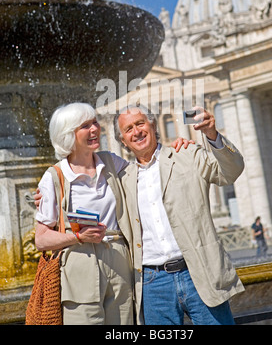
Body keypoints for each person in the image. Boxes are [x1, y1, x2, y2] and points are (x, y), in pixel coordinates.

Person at [34, 102, 190, 325]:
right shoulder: (54, 177)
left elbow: (149, 170)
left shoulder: (111, 162)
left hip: (119, 260)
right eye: (85, 126)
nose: (95, 129)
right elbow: (41, 239)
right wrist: (77, 237)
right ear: (68, 134)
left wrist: (174, 150)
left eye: (95, 122)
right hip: (80, 263)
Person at [113, 105, 245, 325]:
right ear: (123, 141)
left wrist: (212, 135)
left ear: (153, 125)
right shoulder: (122, 179)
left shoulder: (187, 154)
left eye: (140, 123)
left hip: (197, 272)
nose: (136, 132)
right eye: (128, 129)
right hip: (153, 284)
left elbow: (231, 172)